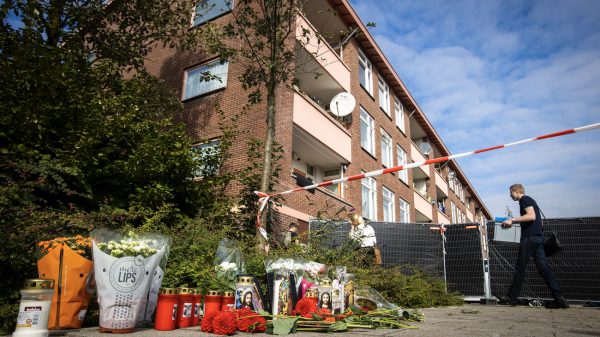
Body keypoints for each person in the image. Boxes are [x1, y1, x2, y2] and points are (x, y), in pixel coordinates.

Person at [499, 184, 569, 309]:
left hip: (529, 238)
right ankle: (559, 298)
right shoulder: (532, 201)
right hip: (538, 238)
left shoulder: (524, 200)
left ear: (516, 191)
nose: (510, 195)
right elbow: (539, 222)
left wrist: (512, 220)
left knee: (520, 268)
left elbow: (531, 216)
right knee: (543, 269)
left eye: (511, 193)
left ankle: (512, 298)